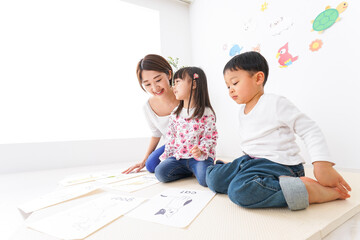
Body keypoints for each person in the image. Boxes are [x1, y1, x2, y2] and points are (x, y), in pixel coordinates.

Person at [206, 51, 351, 210]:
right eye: (227, 86)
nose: (230, 90)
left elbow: (310, 130)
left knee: (239, 191)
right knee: (213, 178)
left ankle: (308, 190)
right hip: (251, 161)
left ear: (258, 78)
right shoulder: (242, 111)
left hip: (279, 165)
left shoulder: (275, 103)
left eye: (234, 83)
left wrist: (322, 164)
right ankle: (253, 175)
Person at [154, 67, 218, 187]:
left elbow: (211, 138)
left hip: (199, 158)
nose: (174, 87)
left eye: (178, 82)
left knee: (205, 181)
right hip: (179, 157)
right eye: (174, 83)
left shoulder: (206, 113)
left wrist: (201, 149)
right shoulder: (175, 114)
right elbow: (171, 137)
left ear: (194, 84)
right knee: (160, 172)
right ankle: (188, 172)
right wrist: (167, 156)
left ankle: (217, 166)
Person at [123, 54, 179, 174]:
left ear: (169, 74)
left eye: (158, 80)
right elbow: (156, 134)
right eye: (147, 84)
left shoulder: (184, 95)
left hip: (192, 142)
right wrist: (144, 160)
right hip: (172, 145)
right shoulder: (147, 107)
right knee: (151, 165)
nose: (155, 88)